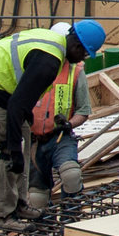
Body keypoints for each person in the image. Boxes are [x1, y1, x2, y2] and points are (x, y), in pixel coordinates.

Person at [0, 19, 105, 223]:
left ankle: (19, 205)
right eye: (84, 54)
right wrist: (14, 150)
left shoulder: (54, 44)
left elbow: (23, 98)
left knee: (20, 143)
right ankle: (2, 215)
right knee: (9, 152)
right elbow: (16, 106)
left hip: (1, 87)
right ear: (77, 46)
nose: (81, 59)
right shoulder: (49, 62)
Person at [26, 60, 92, 213]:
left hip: (61, 137)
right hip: (33, 141)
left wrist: (69, 124)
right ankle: (45, 232)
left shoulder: (74, 71)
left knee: (71, 175)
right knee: (37, 198)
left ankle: (70, 218)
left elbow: (83, 111)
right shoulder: (28, 66)